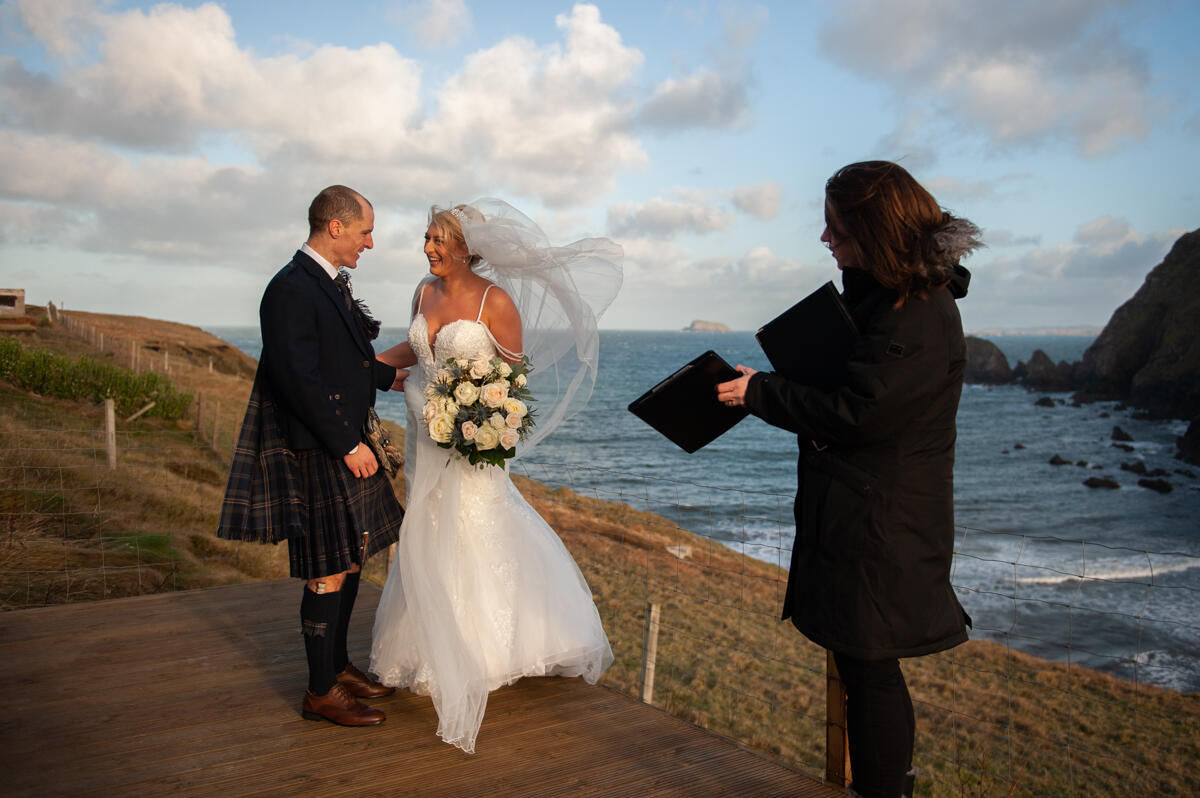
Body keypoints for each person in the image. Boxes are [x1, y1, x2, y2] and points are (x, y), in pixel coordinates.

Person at [716, 161, 980, 798]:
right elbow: (851, 387)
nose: (825, 239)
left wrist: (764, 393)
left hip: (884, 524)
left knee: (871, 666)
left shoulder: (916, 312)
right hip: (864, 514)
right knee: (862, 663)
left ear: (873, 228)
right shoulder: (886, 296)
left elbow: (862, 412)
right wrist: (771, 383)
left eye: (836, 227)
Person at [370, 199, 620, 753]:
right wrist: (362, 365)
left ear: (466, 246)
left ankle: (480, 651)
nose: (428, 247)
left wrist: (476, 423)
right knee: (426, 530)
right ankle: (425, 645)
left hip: (467, 445)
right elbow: (414, 351)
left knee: (473, 528)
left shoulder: (495, 302)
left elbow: (512, 385)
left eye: (438, 239)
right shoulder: (422, 291)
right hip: (420, 434)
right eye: (427, 238)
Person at [218, 185, 407, 727]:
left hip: (341, 439)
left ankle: (339, 665)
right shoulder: (291, 289)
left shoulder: (324, 283)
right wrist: (347, 445)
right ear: (336, 228)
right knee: (327, 568)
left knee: (351, 557)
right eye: (365, 231)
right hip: (322, 448)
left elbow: (343, 359)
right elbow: (298, 378)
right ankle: (319, 691)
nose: (370, 243)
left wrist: (387, 376)